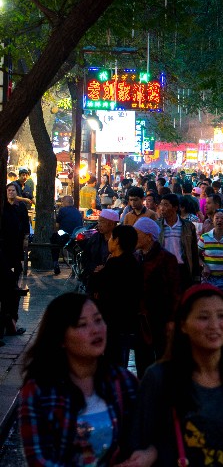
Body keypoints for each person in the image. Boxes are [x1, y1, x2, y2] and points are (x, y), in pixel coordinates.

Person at [130, 284, 223, 466]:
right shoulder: (159, 377)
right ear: (183, 325)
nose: (214, 326)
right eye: (203, 317)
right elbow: (139, 440)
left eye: (222, 316)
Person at [18, 293, 143, 466]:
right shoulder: (39, 390)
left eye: (98, 320)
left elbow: (148, 434)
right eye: (82, 324)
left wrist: (148, 453)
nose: (95, 330)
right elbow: (38, 459)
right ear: (61, 339)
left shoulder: (122, 381)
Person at [132, 217, 182, 376]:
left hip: (160, 317)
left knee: (162, 360)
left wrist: (172, 320)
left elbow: (175, 291)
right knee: (142, 361)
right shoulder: (136, 257)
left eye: (137, 233)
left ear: (148, 236)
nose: (134, 237)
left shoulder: (166, 258)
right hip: (141, 319)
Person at [88, 225, 142, 367]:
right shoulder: (132, 262)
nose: (109, 241)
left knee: (112, 359)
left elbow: (96, 285)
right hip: (126, 320)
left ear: (117, 241)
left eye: (112, 238)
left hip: (113, 320)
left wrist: (98, 273)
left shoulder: (115, 264)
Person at [1, 183, 30, 339]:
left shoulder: (19, 208)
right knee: (10, 289)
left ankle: (11, 321)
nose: (11, 192)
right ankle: (9, 323)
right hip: (5, 252)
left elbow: (25, 225)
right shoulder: (4, 208)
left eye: (13, 190)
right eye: (8, 190)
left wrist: (25, 238)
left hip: (15, 251)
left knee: (13, 288)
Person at [158, 193, 201, 290]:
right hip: (163, 269)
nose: (162, 208)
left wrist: (196, 276)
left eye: (166, 205)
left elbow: (193, 251)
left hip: (182, 269)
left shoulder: (188, 226)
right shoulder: (157, 226)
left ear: (175, 207)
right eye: (161, 204)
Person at [198, 211, 223, 304]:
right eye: (217, 218)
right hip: (208, 279)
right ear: (213, 220)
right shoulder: (205, 237)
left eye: (222, 218)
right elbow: (196, 256)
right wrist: (204, 266)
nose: (219, 220)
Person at [81, 208, 119, 294]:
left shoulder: (119, 241)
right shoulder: (94, 239)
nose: (99, 225)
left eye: (102, 222)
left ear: (112, 224)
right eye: (99, 222)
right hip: (93, 282)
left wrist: (106, 269)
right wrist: (94, 268)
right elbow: (85, 258)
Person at [50, 194, 83, 275]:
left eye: (62, 201)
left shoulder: (62, 210)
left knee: (53, 238)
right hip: (76, 237)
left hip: (65, 236)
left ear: (66, 202)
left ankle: (55, 262)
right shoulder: (77, 212)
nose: (61, 203)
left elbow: (57, 225)